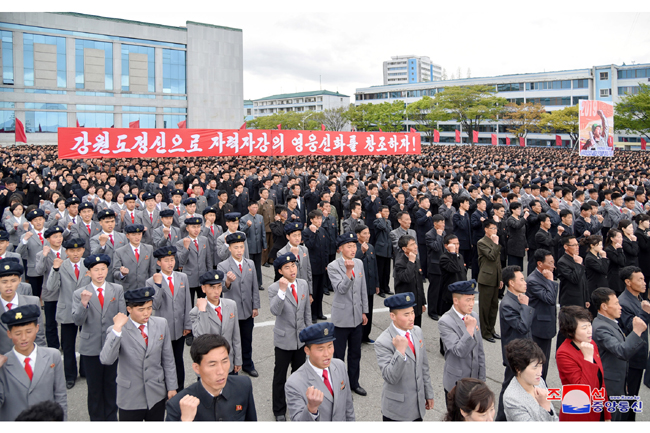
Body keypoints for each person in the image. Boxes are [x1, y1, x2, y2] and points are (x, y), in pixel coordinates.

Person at [99, 287, 177, 421]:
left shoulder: (161, 324)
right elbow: (106, 359)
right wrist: (117, 329)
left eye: (149, 308)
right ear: (129, 309)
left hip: (156, 393)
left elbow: (168, 359)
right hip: (130, 397)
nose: (146, 313)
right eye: (141, 310)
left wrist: (172, 387)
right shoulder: (117, 329)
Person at [71, 254, 126, 421]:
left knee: (111, 384)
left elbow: (122, 315)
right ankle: (96, 420)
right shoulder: (80, 293)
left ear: (108, 270)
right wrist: (84, 304)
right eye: (96, 270)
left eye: (103, 269)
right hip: (91, 346)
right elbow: (77, 321)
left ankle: (111, 418)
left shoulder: (117, 289)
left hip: (112, 344)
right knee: (94, 387)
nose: (100, 273)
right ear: (88, 273)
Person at [165, 334, 257, 421]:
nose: (221, 371)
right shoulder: (177, 405)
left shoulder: (243, 386)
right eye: (212, 365)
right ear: (197, 368)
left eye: (224, 361)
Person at [0, 304, 67, 421]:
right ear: (9, 334)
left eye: (28, 331)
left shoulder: (53, 356)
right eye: (18, 333)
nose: (24, 337)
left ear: (37, 328)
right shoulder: (3, 363)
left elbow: (60, 395)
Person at [374, 292, 434, 421]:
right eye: (406, 315)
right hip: (397, 410)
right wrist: (400, 352)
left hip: (417, 406)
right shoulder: (383, 341)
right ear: (393, 316)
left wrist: (428, 393)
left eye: (412, 312)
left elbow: (424, 366)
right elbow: (390, 377)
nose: (411, 318)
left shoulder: (417, 331)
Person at [591, 287, 645, 421]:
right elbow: (622, 351)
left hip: (617, 383)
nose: (620, 307)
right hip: (610, 387)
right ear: (604, 306)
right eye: (616, 303)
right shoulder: (601, 327)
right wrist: (637, 332)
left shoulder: (609, 322)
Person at [268, 252, 311, 421]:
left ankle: (298, 404)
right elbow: (275, 311)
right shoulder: (274, 288)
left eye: (293, 265)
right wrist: (282, 291)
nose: (292, 269)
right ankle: (279, 410)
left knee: (300, 374)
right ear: (280, 271)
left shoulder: (303, 284)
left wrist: (309, 335)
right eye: (287, 267)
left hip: (301, 339)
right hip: (284, 340)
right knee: (280, 376)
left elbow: (307, 311)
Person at [284, 322, 355, 421]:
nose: (327, 354)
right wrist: (311, 409)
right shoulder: (294, 383)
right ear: (307, 350)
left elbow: (348, 406)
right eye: (320, 349)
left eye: (330, 346)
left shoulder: (340, 366)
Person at [327, 232, 369, 396]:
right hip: (341, 318)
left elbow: (363, 288)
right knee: (338, 355)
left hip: (357, 316)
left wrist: (364, 311)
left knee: (355, 353)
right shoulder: (333, 266)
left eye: (354, 246)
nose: (353, 249)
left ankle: (354, 382)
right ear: (340, 249)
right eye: (349, 246)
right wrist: (348, 272)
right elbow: (341, 289)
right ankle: (339, 385)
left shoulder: (359, 262)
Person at [45, 238, 90, 389]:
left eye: (78, 250)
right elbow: (51, 287)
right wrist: (55, 269)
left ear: (83, 250)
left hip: (85, 309)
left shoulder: (88, 264)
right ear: (66, 252)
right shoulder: (61, 265)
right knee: (68, 345)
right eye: (72, 251)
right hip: (67, 311)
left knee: (86, 341)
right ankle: (70, 376)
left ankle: (85, 370)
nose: (75, 253)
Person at [555, 305, 612, 421]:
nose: (589, 330)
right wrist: (588, 358)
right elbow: (583, 390)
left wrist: (607, 415)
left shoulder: (591, 343)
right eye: (584, 327)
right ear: (570, 331)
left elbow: (601, 383)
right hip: (579, 413)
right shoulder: (564, 353)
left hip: (597, 407)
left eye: (589, 325)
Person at [148, 246, 192, 391]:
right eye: (166, 260)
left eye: (172, 260)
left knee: (178, 359)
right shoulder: (151, 281)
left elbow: (187, 302)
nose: (170, 263)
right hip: (163, 329)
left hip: (179, 328)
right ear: (159, 263)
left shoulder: (182, 277)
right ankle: (167, 389)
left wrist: (188, 325)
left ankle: (180, 389)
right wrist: (158, 285)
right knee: (165, 361)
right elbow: (155, 305)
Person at [218, 232, 260, 378]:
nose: (239, 250)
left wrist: (255, 306)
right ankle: (232, 365)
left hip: (247, 309)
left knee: (247, 339)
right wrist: (227, 281)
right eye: (235, 247)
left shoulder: (250, 264)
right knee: (231, 340)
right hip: (232, 310)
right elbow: (221, 289)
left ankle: (247, 364)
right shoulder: (223, 265)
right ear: (229, 248)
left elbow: (254, 286)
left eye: (241, 247)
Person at [496, 265, 535, 421]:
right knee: (508, 387)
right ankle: (500, 419)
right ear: (511, 283)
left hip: (524, 352)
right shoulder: (507, 304)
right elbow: (523, 327)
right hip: (515, 355)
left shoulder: (518, 298)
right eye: (522, 280)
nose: (525, 283)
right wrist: (525, 306)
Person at [438, 280, 486, 403]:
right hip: (456, 383)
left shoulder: (474, 315)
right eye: (468, 300)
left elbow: (480, 350)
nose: (472, 304)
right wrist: (470, 329)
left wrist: (482, 380)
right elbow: (459, 351)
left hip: (474, 382)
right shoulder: (445, 321)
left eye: (473, 299)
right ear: (456, 301)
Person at [190, 270, 241, 375]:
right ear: (203, 288)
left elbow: (235, 335)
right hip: (209, 366)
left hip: (228, 361)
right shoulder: (196, 312)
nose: (217, 291)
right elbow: (201, 336)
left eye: (219, 286)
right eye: (212, 287)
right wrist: (203, 311)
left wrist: (238, 360)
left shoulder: (231, 305)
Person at [617, 266, 650, 421]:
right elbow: (634, 328)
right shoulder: (624, 302)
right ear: (628, 282)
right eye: (640, 280)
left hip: (638, 355)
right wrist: (645, 312)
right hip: (631, 358)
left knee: (633, 398)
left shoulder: (638, 298)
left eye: (644, 279)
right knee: (627, 399)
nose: (644, 283)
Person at [503, 338, 558, 421]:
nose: (540, 372)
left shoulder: (539, 381)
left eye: (541, 365)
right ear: (518, 368)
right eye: (535, 367)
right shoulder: (512, 399)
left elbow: (555, 418)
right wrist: (545, 407)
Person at [525, 249, 558, 381]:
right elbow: (550, 299)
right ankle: (537, 383)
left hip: (547, 323)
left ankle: (542, 382)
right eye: (550, 263)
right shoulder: (533, 280)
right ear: (540, 264)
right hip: (539, 326)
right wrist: (551, 280)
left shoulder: (544, 276)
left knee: (544, 359)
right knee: (538, 359)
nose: (553, 266)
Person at [176, 217, 212, 308]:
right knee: (189, 304)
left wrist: (210, 275)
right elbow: (182, 261)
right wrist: (186, 248)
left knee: (204, 304)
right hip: (189, 278)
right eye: (193, 227)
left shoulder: (204, 240)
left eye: (198, 227)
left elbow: (208, 259)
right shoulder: (180, 243)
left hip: (203, 277)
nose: (196, 229)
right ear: (187, 228)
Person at [393, 235, 427, 327]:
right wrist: (411, 262)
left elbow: (419, 284)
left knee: (417, 328)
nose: (415, 246)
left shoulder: (416, 260)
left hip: (417, 302)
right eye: (412, 245)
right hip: (406, 304)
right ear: (404, 249)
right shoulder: (400, 263)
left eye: (415, 243)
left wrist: (422, 302)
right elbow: (407, 278)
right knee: (407, 328)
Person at [477, 220, 502, 342]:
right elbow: (491, 256)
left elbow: (498, 262)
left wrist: (500, 278)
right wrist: (496, 243)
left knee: (493, 307)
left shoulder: (493, 241)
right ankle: (485, 332)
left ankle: (492, 330)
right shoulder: (482, 242)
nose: (495, 231)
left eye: (496, 228)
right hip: (486, 279)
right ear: (486, 229)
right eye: (492, 228)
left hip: (495, 278)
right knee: (485, 307)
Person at [112, 224, 156, 292]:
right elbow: (115, 272)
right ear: (127, 236)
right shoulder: (119, 252)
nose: (137, 237)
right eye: (133, 235)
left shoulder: (149, 249)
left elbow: (152, 270)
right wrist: (122, 274)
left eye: (139, 234)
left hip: (145, 288)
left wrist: (152, 286)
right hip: (128, 290)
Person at [354, 225, 379, 343]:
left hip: (370, 285)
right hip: (359, 286)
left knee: (369, 311)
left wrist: (377, 284)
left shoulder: (371, 247)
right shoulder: (354, 247)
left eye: (368, 233)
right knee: (359, 312)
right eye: (364, 233)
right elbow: (353, 262)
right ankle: (357, 338)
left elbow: (374, 267)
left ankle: (366, 336)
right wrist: (362, 252)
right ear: (358, 235)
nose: (368, 236)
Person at [303, 210, 328, 322]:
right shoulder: (306, 232)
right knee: (313, 291)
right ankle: (312, 314)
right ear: (311, 220)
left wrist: (326, 263)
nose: (319, 221)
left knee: (320, 292)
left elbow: (325, 248)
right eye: (317, 219)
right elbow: (309, 246)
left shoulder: (322, 230)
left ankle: (319, 312)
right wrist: (313, 233)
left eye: (320, 218)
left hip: (322, 265)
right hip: (313, 266)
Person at [90, 209, 128, 284]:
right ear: (100, 223)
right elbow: (93, 256)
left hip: (121, 274)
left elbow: (127, 253)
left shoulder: (122, 236)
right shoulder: (95, 239)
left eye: (112, 221)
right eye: (107, 222)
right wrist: (102, 245)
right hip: (105, 275)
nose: (110, 224)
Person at [239, 201, 266, 291]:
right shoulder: (244, 218)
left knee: (258, 266)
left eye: (256, 207)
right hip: (249, 247)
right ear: (249, 208)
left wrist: (264, 244)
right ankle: (249, 284)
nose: (255, 209)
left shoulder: (260, 217)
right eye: (253, 207)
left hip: (258, 246)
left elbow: (263, 232)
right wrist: (247, 226)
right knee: (249, 267)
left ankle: (258, 283)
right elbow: (241, 232)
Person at [425, 214, 446, 319]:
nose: (443, 225)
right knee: (434, 290)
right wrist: (439, 236)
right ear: (435, 224)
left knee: (441, 289)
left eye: (444, 222)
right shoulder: (429, 235)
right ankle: (432, 311)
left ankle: (439, 309)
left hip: (443, 265)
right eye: (441, 223)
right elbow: (436, 248)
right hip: (434, 266)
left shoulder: (444, 233)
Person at [583, 235, 609, 318]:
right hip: (595, 287)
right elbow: (603, 270)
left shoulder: (597, 256)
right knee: (595, 313)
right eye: (599, 245)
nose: (601, 247)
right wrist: (604, 257)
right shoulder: (589, 258)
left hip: (601, 285)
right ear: (592, 245)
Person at [506, 203, 527, 268]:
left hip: (521, 246)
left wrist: (526, 244)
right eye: (518, 209)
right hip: (513, 246)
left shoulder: (520, 219)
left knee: (519, 267)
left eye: (520, 209)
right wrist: (524, 217)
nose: (519, 210)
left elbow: (523, 233)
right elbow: (517, 226)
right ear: (512, 210)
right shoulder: (510, 219)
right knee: (513, 267)